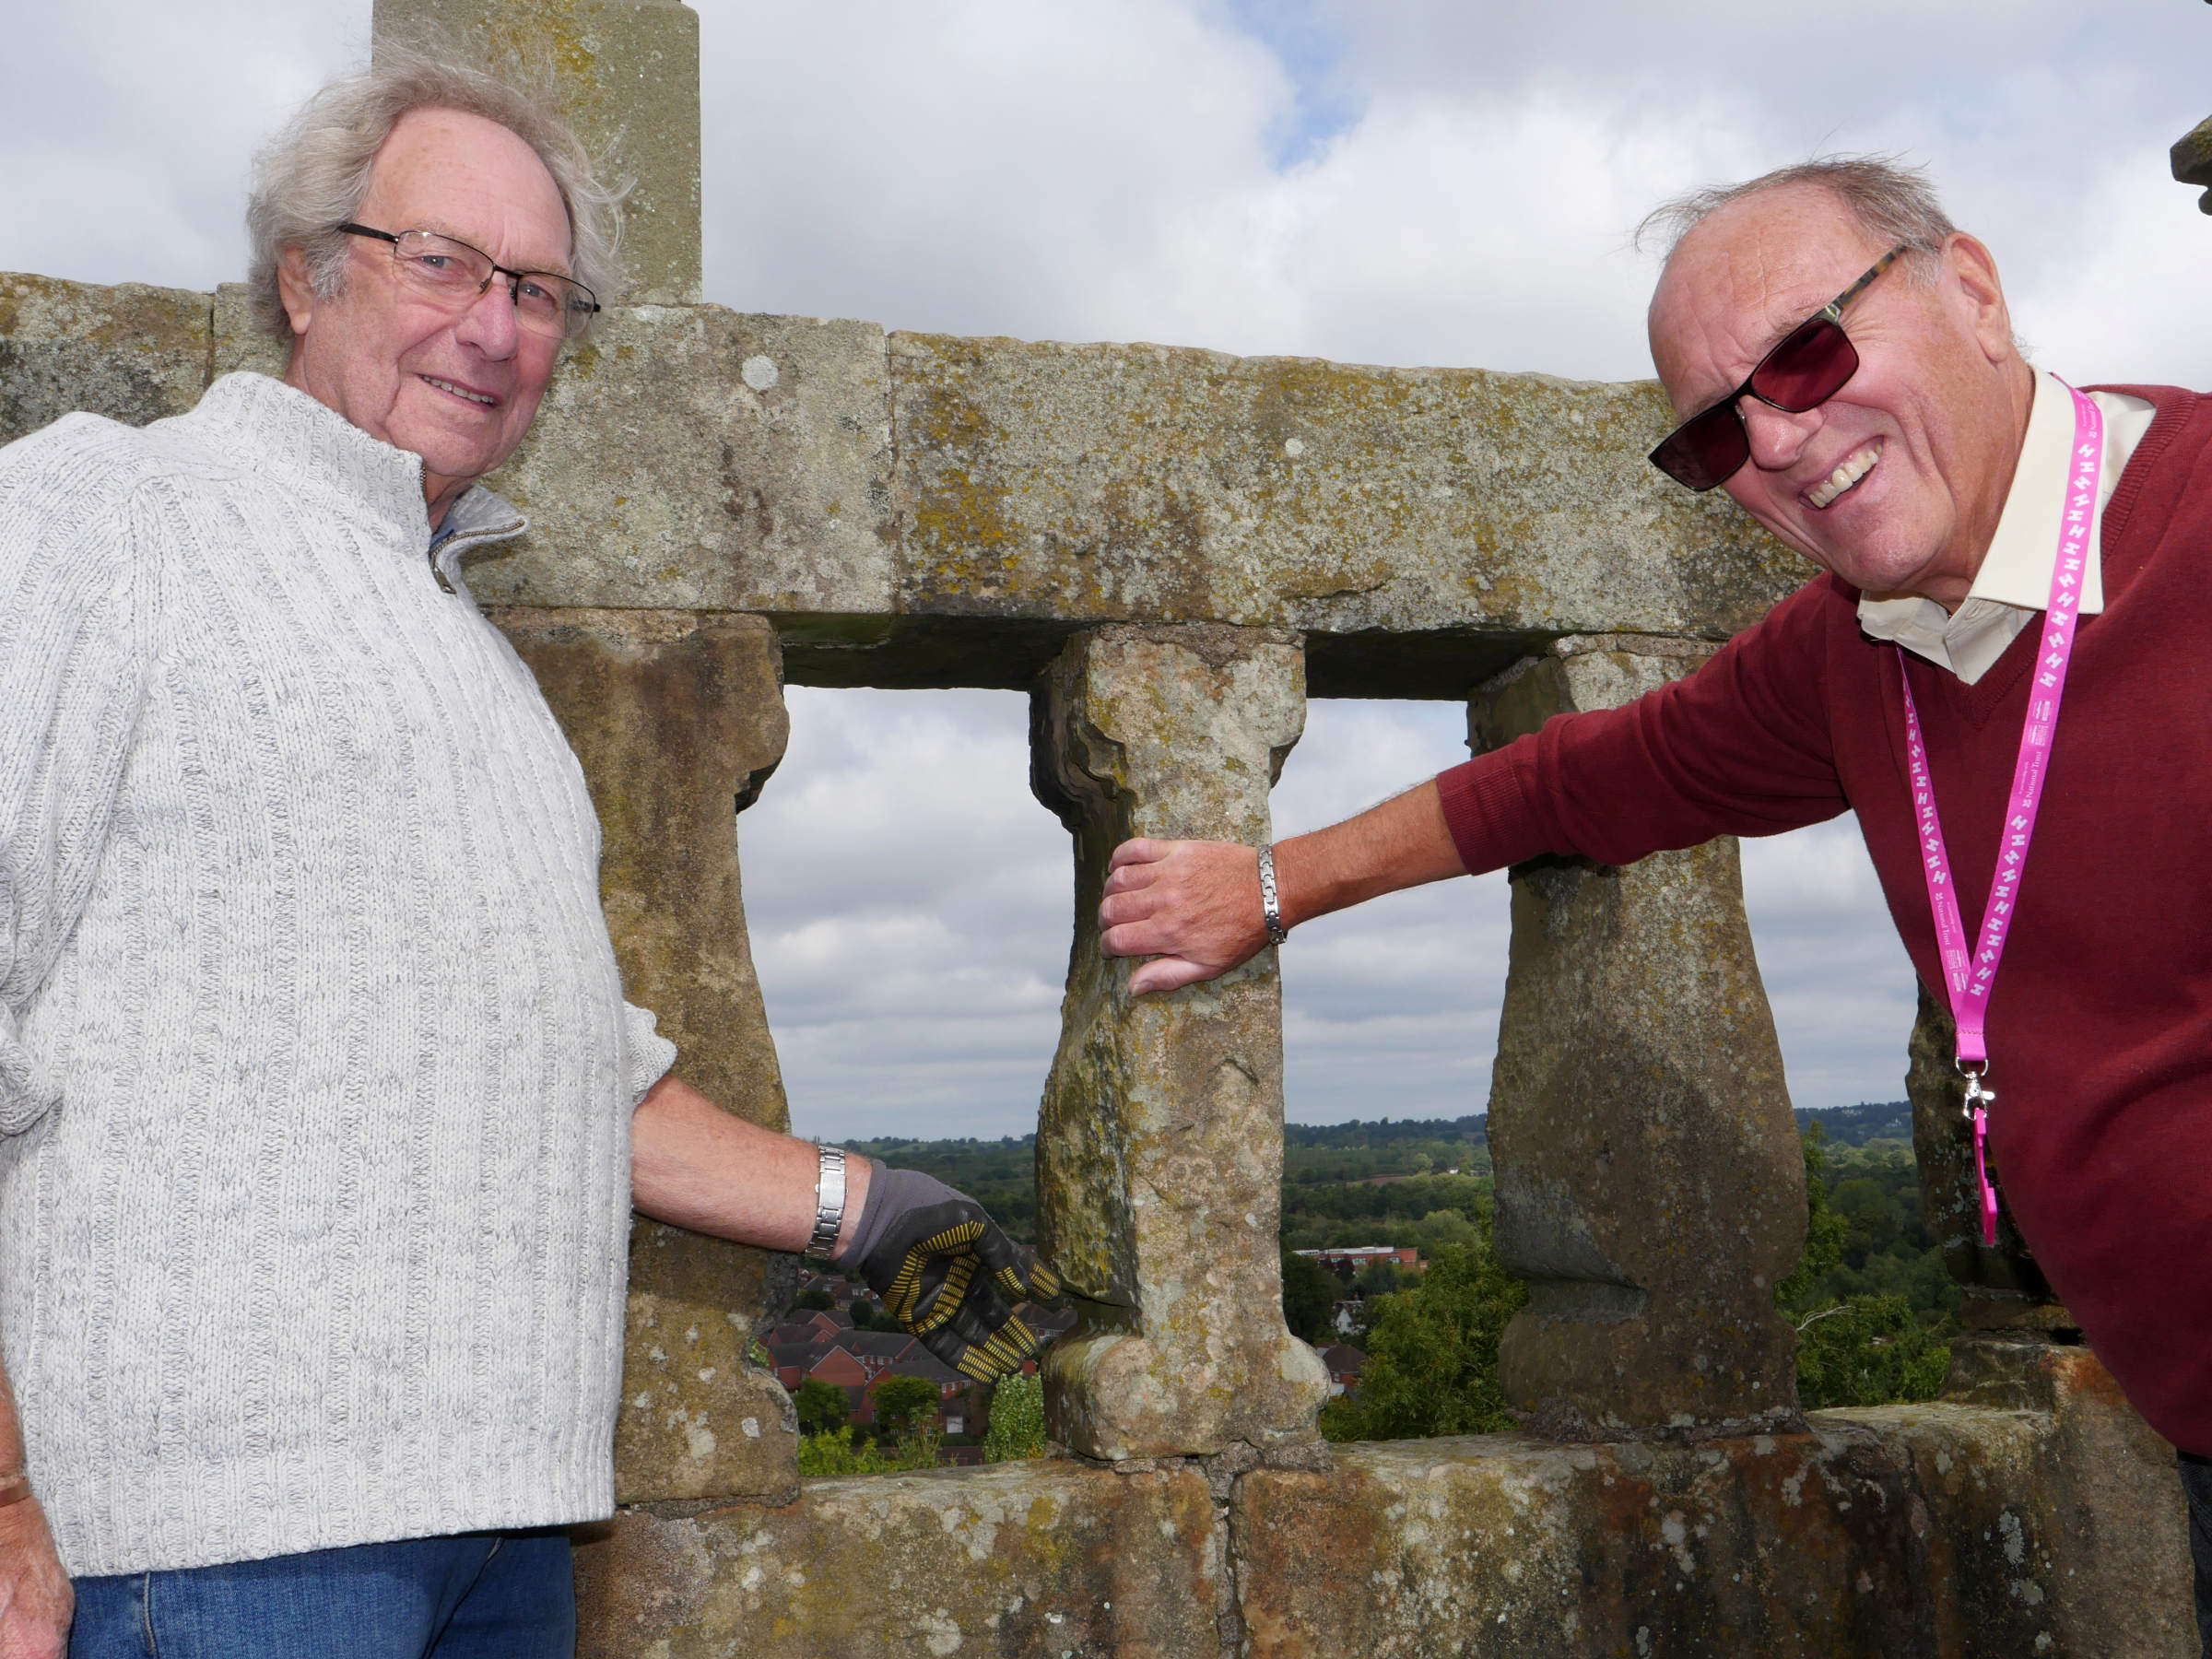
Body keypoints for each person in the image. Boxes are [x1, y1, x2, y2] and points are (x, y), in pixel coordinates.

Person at [0, 49, 1051, 1659]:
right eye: (441, 262)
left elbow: (554, 1069)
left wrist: (863, 1206)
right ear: (305, 273)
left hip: (507, 1542)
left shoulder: (471, 657)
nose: (492, 328)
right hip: (210, 1554)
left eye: (540, 291)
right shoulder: (106, 513)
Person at [1097, 157, 2212, 1636]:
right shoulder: (1856, 649)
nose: (1781, 442)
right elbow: (1567, 783)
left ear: (1978, 294)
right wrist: (1271, 881)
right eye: (1714, 434)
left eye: (1807, 353)